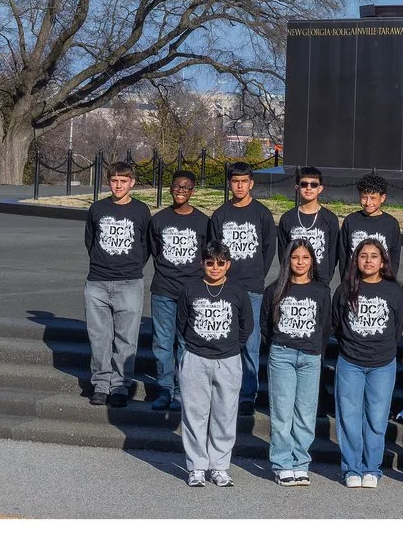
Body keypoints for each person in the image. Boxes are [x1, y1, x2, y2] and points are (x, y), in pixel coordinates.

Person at [177, 242, 253, 488]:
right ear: (202, 264)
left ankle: (219, 467)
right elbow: (182, 323)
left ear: (228, 264)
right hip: (196, 358)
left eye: (221, 263)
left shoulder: (237, 291)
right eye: (210, 263)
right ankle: (197, 467)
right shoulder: (190, 289)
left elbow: (246, 326)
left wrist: (231, 347)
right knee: (195, 414)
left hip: (228, 359)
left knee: (225, 415)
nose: (215, 267)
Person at [81, 161, 153, 406]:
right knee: (99, 336)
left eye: (123, 181)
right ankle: (101, 384)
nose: (118, 185)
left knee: (126, 338)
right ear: (108, 182)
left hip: (129, 281)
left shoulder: (141, 210)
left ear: (132, 183)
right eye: (114, 181)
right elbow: (90, 240)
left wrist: (131, 266)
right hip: (98, 282)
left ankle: (121, 384)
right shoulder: (97, 208)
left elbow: (145, 245)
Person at [332, 238, 401, 489]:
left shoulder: (394, 290)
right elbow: (337, 324)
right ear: (356, 260)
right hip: (351, 361)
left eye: (374, 256)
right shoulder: (345, 289)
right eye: (363, 256)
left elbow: (397, 326)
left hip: (382, 363)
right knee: (349, 417)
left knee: (377, 417)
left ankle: (372, 468)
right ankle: (352, 468)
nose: (368, 260)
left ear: (383, 261)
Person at [208, 161, 277, 409]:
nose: (239, 185)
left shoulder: (262, 213)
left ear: (251, 183)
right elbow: (213, 248)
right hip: (225, 287)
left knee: (250, 342)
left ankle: (248, 394)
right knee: (224, 340)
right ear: (230, 183)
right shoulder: (220, 214)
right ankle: (225, 393)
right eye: (235, 181)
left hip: (252, 288)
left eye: (243, 181)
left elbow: (269, 248)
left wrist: (258, 273)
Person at [264, 239, 330, 485]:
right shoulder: (275, 290)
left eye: (305, 258)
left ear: (312, 260)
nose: (300, 262)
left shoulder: (321, 291)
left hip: (310, 357)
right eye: (295, 258)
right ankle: (282, 464)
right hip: (282, 355)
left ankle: (301, 463)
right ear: (287, 260)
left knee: (305, 413)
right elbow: (266, 327)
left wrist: (315, 350)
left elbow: (325, 325)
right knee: (282, 412)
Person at [146, 171, 210, 412]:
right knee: (162, 342)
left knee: (187, 342)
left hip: (192, 292)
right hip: (163, 289)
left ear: (192, 191)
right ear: (170, 189)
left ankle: (183, 391)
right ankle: (165, 389)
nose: (180, 190)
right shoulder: (159, 219)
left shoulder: (203, 221)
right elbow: (154, 250)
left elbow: (207, 255)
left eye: (186, 187)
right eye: (176, 186)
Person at [278, 167, 339, 286]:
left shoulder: (330, 219)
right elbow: (283, 252)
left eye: (314, 185)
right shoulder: (287, 218)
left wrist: (326, 277)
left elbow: (333, 252)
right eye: (304, 184)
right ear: (297, 187)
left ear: (320, 188)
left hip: (321, 281)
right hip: (293, 280)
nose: (309, 188)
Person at [339, 175, 403, 283]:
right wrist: (345, 281)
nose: (368, 203)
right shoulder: (350, 221)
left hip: (381, 281)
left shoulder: (391, 223)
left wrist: (390, 281)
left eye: (373, 198)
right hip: (354, 281)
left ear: (382, 198)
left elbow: (394, 256)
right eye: (364, 197)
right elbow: (343, 255)